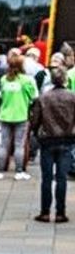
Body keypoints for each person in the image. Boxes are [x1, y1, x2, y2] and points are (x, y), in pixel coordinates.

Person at [29, 67, 75, 223]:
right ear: (65, 80)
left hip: (47, 140)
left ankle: (45, 212)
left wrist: (36, 133)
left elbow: (35, 120)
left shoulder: (43, 98)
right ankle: (60, 212)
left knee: (46, 178)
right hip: (67, 139)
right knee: (61, 177)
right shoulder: (72, 97)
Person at [0, 50, 37, 180]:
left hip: (5, 115)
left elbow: (0, 96)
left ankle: (0, 171)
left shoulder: (3, 79)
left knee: (4, 144)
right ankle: (19, 171)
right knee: (19, 144)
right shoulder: (26, 80)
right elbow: (34, 96)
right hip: (21, 115)